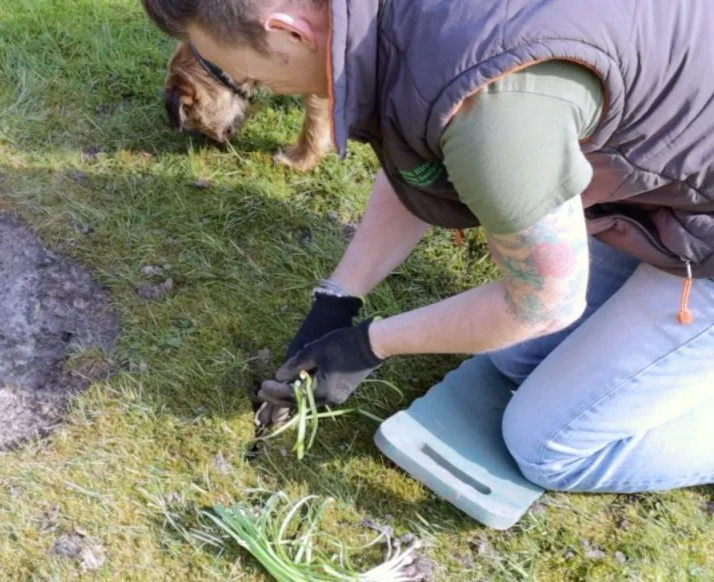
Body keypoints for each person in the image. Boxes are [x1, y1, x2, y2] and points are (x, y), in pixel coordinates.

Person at [141, 0, 714, 495]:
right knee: (512, 360)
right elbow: (420, 142)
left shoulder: (493, 113)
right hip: (669, 179)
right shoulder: (389, 26)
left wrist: (370, 344)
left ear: (289, 31)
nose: (252, 87)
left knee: (546, 443)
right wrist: (338, 298)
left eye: (250, 77)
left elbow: (544, 302)